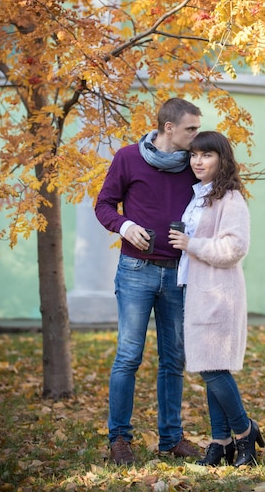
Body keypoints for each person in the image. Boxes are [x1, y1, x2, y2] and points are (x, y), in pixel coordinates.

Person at [95, 97, 202, 466]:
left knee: (173, 359)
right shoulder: (128, 157)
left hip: (178, 274)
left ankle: (171, 439)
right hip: (135, 271)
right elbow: (104, 204)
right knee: (128, 357)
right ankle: (119, 440)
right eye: (191, 128)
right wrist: (125, 225)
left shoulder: (194, 164)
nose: (196, 136)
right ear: (168, 128)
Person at [168, 131, 265, 468]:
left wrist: (190, 244)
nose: (197, 161)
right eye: (194, 154)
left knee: (211, 368)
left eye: (206, 155)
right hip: (195, 290)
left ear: (222, 159)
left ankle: (244, 431)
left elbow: (234, 248)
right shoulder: (199, 196)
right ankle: (219, 442)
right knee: (209, 365)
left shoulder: (231, 198)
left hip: (219, 293)